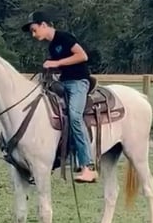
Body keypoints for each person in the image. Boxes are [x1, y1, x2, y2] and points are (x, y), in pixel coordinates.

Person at [22, 10, 97, 183]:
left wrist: (56, 63)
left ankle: (88, 166)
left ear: (43, 25)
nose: (33, 34)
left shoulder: (64, 37)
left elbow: (82, 56)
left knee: (75, 116)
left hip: (79, 82)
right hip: (64, 82)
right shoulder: (51, 46)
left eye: (34, 30)